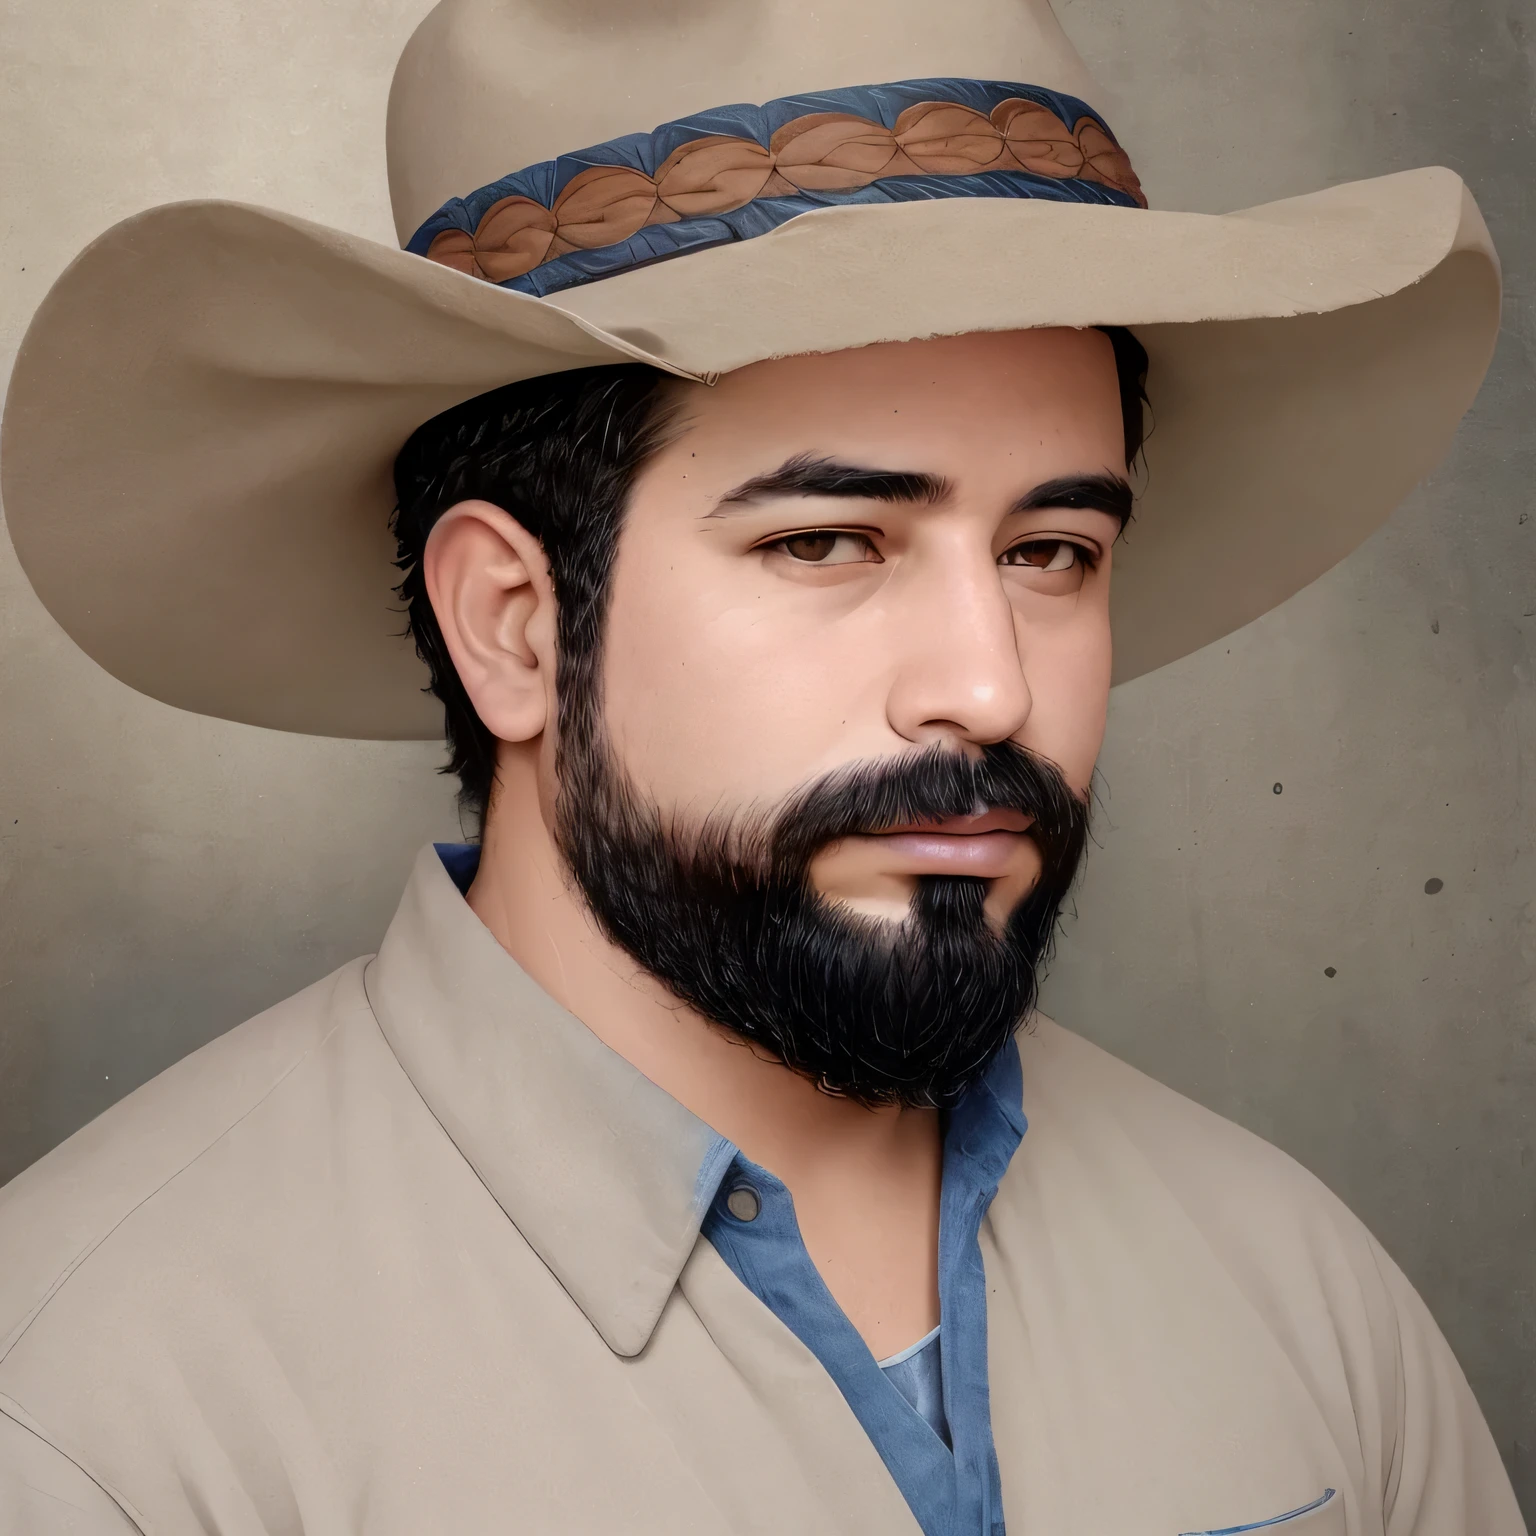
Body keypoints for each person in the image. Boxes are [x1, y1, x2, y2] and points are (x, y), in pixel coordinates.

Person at [0, 0, 1523, 1531]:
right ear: (514, 626)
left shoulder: (1303, 1304)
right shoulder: (100, 1415)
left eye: (1053, 550)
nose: (989, 687)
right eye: (829, 543)